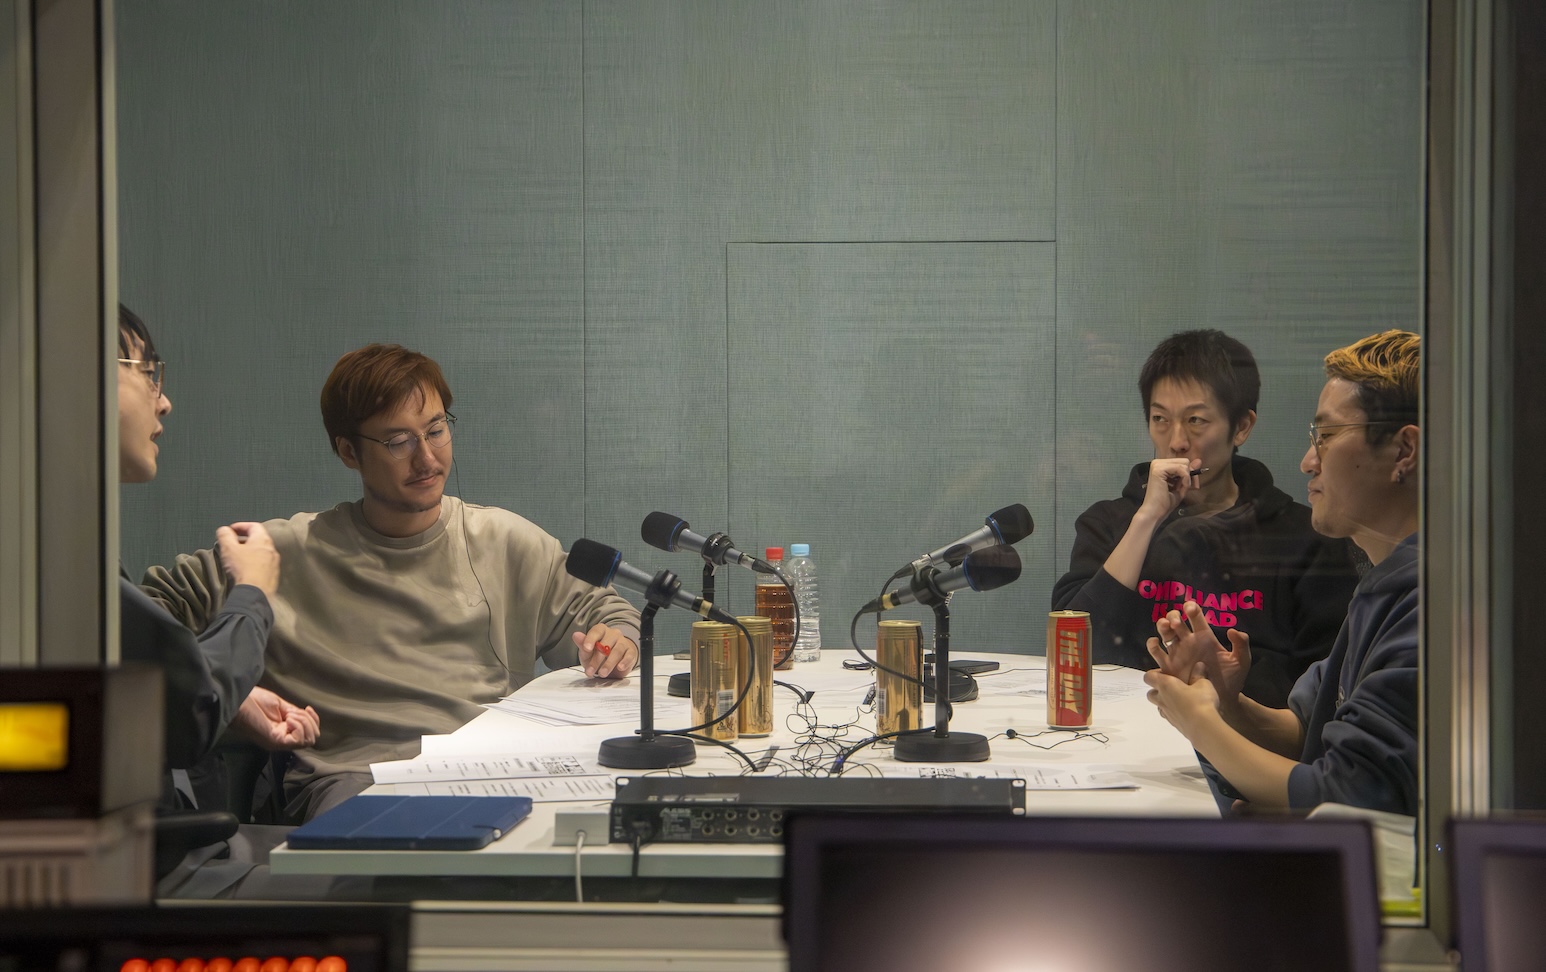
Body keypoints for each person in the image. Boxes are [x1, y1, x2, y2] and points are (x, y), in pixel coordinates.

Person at [141, 343, 642, 821]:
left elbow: (607, 614)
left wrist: (616, 642)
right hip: (359, 777)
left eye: (436, 430)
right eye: (398, 442)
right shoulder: (282, 552)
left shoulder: (504, 541)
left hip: (492, 767)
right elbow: (143, 619)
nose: (427, 458)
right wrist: (232, 695)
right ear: (348, 451)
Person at [1144, 330, 1420, 815]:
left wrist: (1201, 724)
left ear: (1403, 451)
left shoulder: (1434, 606)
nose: (1308, 462)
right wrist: (1229, 702)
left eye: (1326, 437)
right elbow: (1308, 732)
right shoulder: (1384, 585)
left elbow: (1347, 795)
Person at [1051, 329, 1361, 707]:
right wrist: (1147, 517)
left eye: (1196, 420)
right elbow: (1071, 648)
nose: (1176, 441)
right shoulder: (1108, 523)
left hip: (1244, 733)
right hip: (1120, 728)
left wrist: (1221, 681)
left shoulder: (1301, 536)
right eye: (1160, 418)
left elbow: (1325, 685)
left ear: (1241, 427)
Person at [116, 305, 319, 770]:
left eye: (435, 430)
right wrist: (252, 591)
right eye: (147, 373)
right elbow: (187, 717)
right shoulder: (52, 558)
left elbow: (153, 690)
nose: (164, 402)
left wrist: (232, 697)